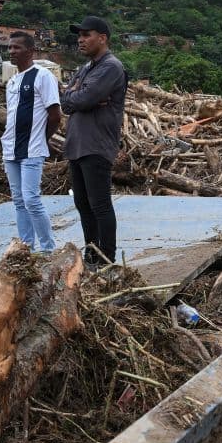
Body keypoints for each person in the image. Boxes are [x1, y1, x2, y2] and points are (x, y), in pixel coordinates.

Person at [62, 16, 128, 268]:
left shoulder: (111, 67)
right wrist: (77, 94)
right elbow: (67, 102)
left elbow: (82, 99)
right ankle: (91, 254)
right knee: (82, 203)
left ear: (102, 38)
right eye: (79, 35)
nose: (80, 40)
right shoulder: (86, 68)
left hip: (97, 144)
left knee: (99, 204)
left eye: (86, 35)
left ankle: (106, 260)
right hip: (78, 145)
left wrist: (80, 96)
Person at [1, 33, 61, 252]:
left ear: (30, 51)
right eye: (10, 48)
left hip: (33, 150)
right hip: (10, 149)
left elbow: (55, 115)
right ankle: (27, 248)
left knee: (31, 200)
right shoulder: (13, 81)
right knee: (18, 201)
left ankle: (47, 250)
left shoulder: (43, 76)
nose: (12, 52)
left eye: (17, 48)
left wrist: (42, 139)